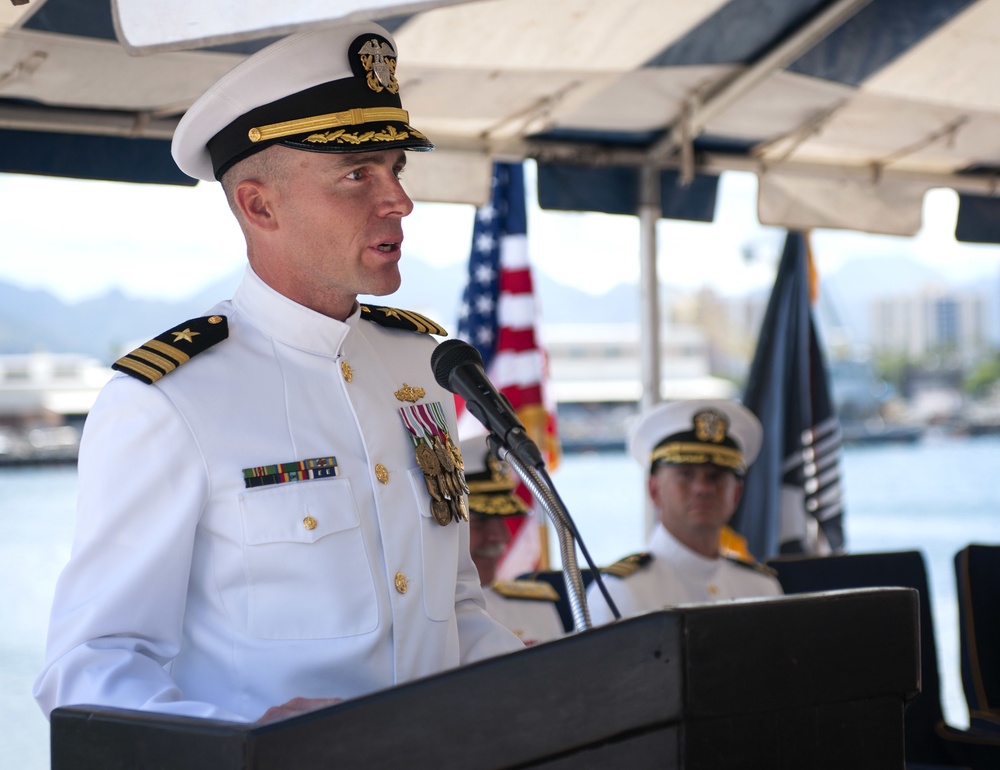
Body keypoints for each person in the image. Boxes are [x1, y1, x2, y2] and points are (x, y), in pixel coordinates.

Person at [33, 22, 524, 725]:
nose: (399, 202)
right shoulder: (170, 399)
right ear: (259, 205)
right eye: (358, 175)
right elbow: (87, 667)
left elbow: (452, 610)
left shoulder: (423, 368)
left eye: (396, 170)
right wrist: (244, 742)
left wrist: (562, 688)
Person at [587, 399, 782, 625]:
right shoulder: (618, 593)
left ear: (736, 494)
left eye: (716, 476)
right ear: (654, 490)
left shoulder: (762, 589)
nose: (703, 488)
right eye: (685, 475)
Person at [461, 435, 564, 646]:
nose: (501, 536)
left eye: (502, 520)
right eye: (480, 521)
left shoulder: (534, 607)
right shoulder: (417, 622)